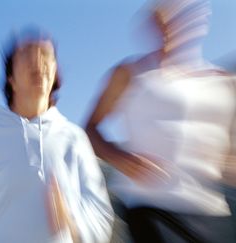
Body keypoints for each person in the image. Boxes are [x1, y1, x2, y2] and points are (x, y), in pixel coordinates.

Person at [85, 0, 236, 242]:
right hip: (150, 204)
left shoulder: (223, 83)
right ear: (156, 24)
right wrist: (119, 158)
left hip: (210, 210)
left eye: (185, 14)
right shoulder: (131, 73)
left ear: (201, 22)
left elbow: (230, 157)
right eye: (167, 16)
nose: (176, 24)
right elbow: (90, 128)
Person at [0, 28, 113, 243]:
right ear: (10, 79)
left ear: (55, 75)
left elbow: (100, 213)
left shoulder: (74, 138)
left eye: (46, 55)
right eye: (26, 54)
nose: (37, 61)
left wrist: (71, 222)